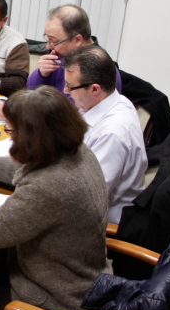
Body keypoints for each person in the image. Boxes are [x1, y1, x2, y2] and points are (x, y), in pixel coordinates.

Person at [0, 86, 111, 310]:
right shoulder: (77, 151)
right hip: (85, 277)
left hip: (58, 302)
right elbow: (31, 166)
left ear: (32, 137)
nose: (8, 136)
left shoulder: (48, 186)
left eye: (10, 129)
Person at [0, 4, 121, 118]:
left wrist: (13, 114)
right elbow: (29, 91)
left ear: (77, 40)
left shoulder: (97, 68)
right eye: (47, 39)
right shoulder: (63, 57)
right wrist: (42, 74)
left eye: (54, 41)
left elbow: (66, 115)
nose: (48, 46)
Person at [63, 46, 147, 224]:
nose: (65, 91)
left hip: (96, 221)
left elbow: (86, 197)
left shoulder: (111, 134)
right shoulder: (117, 101)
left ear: (95, 89)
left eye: (70, 87)